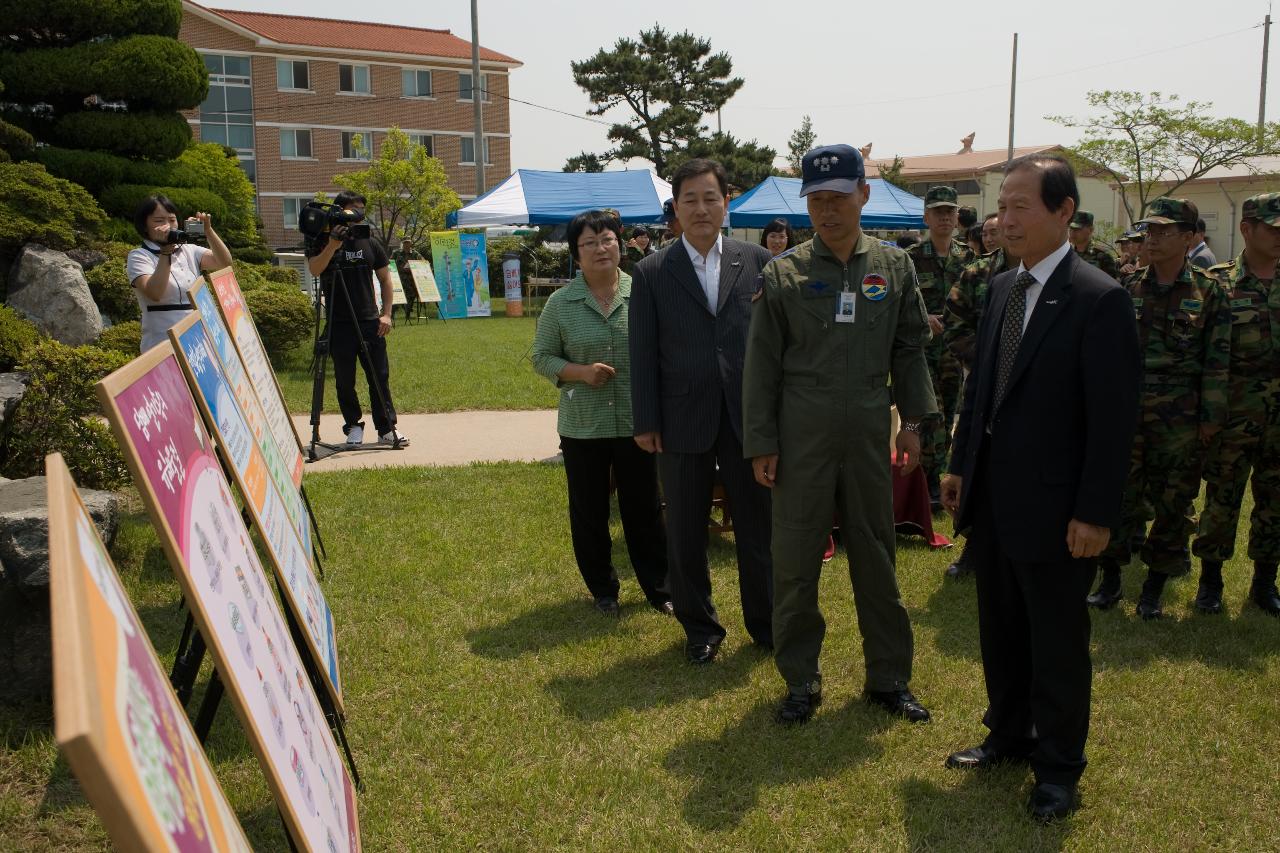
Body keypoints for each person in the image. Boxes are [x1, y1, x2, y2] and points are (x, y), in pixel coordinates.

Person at [940, 154, 1141, 821]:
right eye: (1003, 205)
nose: (1006, 219)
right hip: (996, 498)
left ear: (1064, 212)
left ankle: (1057, 767)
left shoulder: (1099, 298)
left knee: (1055, 638)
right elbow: (981, 393)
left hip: (1058, 508)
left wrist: (1094, 511)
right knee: (1000, 626)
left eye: (1023, 204)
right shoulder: (1004, 288)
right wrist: (960, 463)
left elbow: (1114, 422)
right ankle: (1009, 731)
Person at [743, 144, 937, 725]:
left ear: (864, 196)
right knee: (797, 559)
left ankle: (888, 678)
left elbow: (909, 350)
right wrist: (762, 443)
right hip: (802, 434)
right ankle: (800, 681)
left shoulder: (893, 267)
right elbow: (762, 366)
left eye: (839, 198)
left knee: (876, 555)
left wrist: (915, 424)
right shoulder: (784, 272)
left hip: (869, 432)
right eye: (817, 201)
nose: (828, 211)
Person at [629, 158, 774, 664]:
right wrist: (645, 420)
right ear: (675, 209)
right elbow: (642, 350)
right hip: (678, 421)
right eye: (689, 199)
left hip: (747, 418)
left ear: (726, 203)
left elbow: (774, 344)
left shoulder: (756, 260)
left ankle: (767, 623)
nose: (701, 208)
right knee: (686, 530)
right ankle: (700, 627)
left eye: (710, 198)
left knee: (759, 528)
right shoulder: (650, 271)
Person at [1086, 197, 1229, 618]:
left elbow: (1218, 361)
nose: (1155, 238)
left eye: (1165, 231)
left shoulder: (1209, 291)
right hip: (1129, 411)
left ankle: (1154, 586)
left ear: (1188, 237)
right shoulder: (1127, 288)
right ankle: (1110, 578)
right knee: (1118, 497)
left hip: (1181, 417)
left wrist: (1210, 417)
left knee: (1173, 502)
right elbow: (1108, 355)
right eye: (1151, 230)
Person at [531, 210, 672, 618]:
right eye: (589, 243)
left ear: (621, 244)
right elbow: (541, 357)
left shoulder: (644, 292)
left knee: (644, 508)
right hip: (583, 426)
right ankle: (603, 588)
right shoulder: (561, 304)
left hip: (637, 422)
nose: (600, 249)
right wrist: (580, 373)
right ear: (576, 254)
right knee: (589, 511)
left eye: (606, 239)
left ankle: (659, 589)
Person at [1189, 193, 1280, 616]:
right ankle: (1210, 582)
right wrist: (1208, 415)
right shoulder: (1219, 283)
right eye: (1272, 229)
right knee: (1222, 500)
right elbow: (1204, 355)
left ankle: (1265, 582)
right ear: (1247, 229)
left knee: (1275, 500)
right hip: (1233, 413)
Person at [941, 212, 1020, 579]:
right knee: (978, 462)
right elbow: (954, 324)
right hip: (984, 386)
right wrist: (989, 362)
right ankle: (974, 542)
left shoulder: (1064, 274)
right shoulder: (978, 273)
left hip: (1037, 395)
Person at [305, 190, 407, 446]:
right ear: (338, 212)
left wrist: (386, 314)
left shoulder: (369, 241)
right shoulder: (321, 240)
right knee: (344, 380)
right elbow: (316, 269)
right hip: (339, 323)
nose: (357, 217)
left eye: (360, 212)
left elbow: (385, 279)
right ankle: (353, 426)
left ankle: (386, 428)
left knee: (379, 376)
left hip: (370, 321)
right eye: (352, 211)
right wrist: (333, 245)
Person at [906, 186, 972, 510]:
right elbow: (902, 305)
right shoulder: (912, 259)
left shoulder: (969, 259)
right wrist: (924, 318)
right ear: (926, 217)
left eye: (950, 212)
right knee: (932, 416)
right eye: (938, 212)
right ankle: (928, 481)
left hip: (956, 351)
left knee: (950, 413)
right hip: (924, 350)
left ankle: (942, 478)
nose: (944, 217)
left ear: (957, 217)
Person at [127, 195, 234, 352]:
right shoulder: (139, 256)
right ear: (144, 226)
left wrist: (208, 231)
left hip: (199, 338)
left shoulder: (189, 250)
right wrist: (165, 251)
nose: (167, 225)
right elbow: (155, 292)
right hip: (163, 341)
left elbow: (224, 262)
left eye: (172, 220)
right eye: (159, 221)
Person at [1067, 211, 1120, 279]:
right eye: (1071, 228)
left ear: (1090, 230)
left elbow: (1112, 284)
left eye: (1078, 229)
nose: (1073, 232)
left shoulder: (1103, 256)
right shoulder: (1068, 255)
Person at [390, 238, 422, 321]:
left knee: (411, 296)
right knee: (395, 296)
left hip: (410, 279)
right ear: (402, 244)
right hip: (398, 279)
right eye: (405, 243)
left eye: (408, 243)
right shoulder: (396, 253)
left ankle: (407, 314)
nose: (407, 244)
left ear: (410, 243)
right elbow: (390, 264)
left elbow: (423, 262)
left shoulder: (415, 254)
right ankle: (391, 315)